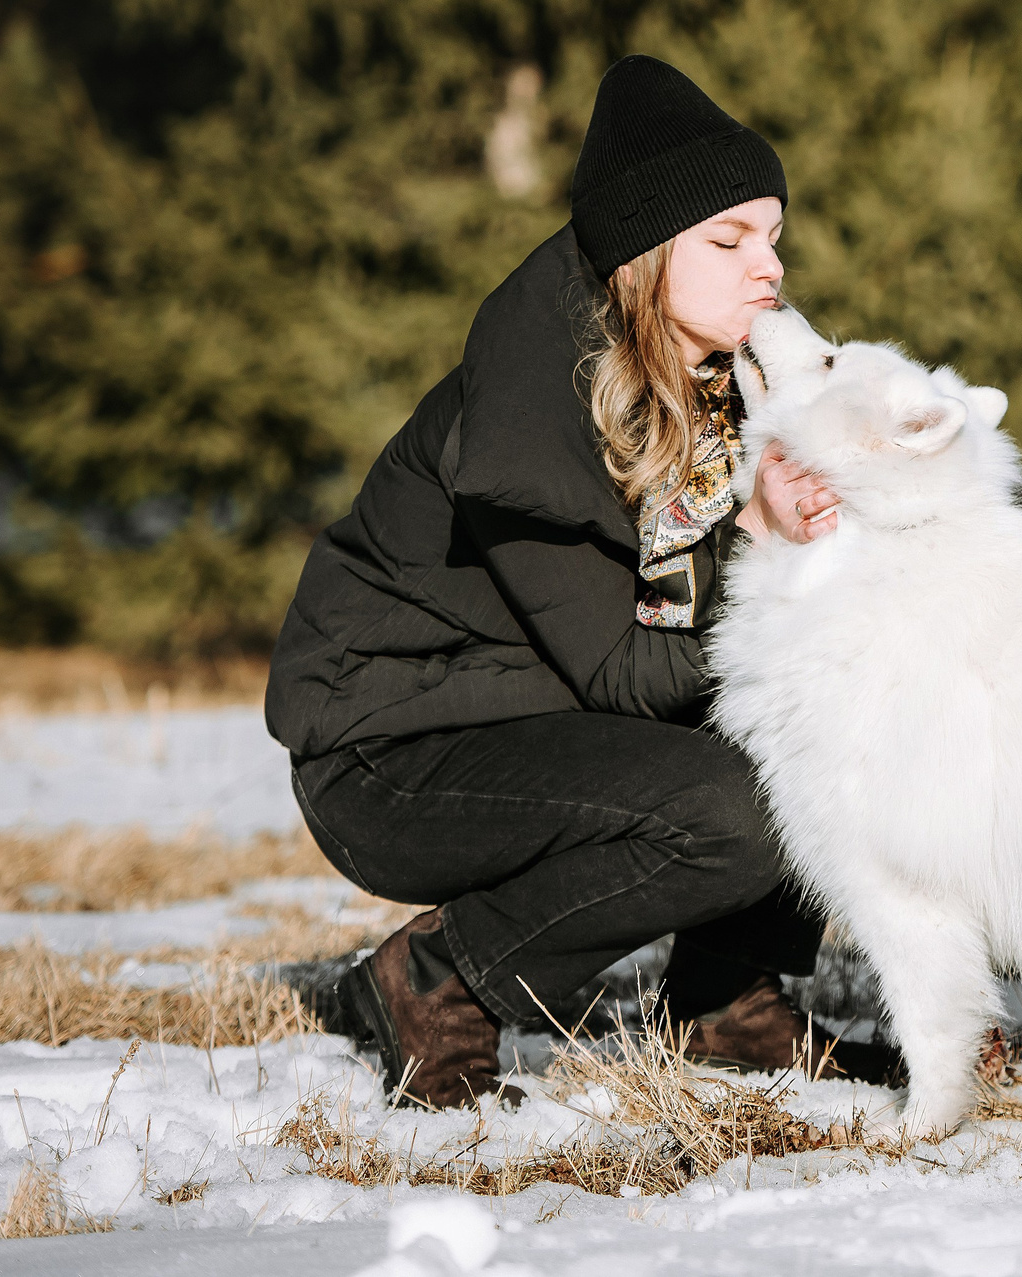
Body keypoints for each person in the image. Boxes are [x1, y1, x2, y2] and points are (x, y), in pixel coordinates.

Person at [265, 55, 869, 1107]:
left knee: (820, 717)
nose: (768, 266)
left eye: (773, 236)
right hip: (391, 748)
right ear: (644, 252)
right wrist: (761, 539)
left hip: (532, 704)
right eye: (728, 240)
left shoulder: (724, 370)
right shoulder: (530, 406)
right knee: (734, 812)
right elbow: (628, 671)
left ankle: (727, 1003)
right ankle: (438, 980)